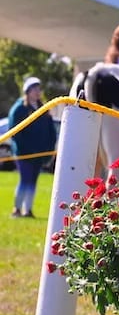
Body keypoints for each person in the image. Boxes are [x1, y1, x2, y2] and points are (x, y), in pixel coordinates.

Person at [8, 77, 57, 218]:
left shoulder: (43, 109)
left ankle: (27, 210)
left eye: (38, 89)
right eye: (34, 89)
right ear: (27, 92)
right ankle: (16, 209)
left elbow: (50, 131)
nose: (37, 92)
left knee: (33, 181)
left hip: (39, 154)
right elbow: (15, 132)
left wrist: (48, 150)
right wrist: (25, 148)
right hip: (24, 154)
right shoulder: (19, 109)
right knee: (25, 179)